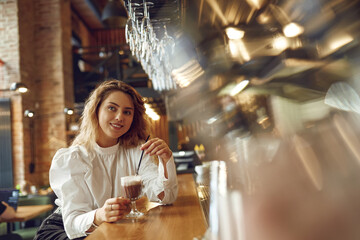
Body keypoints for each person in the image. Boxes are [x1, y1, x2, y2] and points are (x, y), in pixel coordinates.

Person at [35, 79, 178, 240]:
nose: (119, 117)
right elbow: (73, 223)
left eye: (127, 112)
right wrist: (100, 215)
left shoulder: (137, 150)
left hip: (106, 226)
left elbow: (166, 198)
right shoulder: (73, 158)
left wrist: (166, 160)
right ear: (96, 110)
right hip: (64, 229)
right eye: (112, 108)